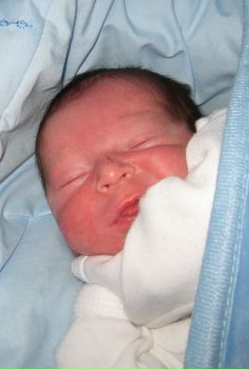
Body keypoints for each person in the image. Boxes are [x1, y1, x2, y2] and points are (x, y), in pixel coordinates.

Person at [35, 67, 226, 368]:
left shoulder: (228, 154)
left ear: (197, 134)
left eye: (140, 142)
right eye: (74, 177)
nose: (110, 172)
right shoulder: (106, 306)